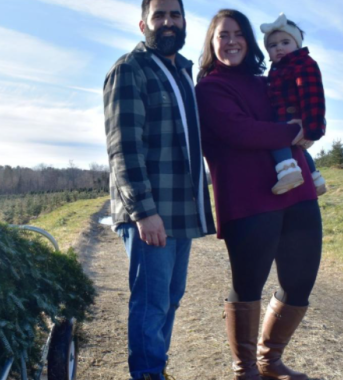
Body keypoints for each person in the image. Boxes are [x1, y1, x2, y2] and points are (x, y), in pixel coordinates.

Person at [195, 9, 322, 380]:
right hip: (247, 198)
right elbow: (240, 132)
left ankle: (269, 359)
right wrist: (292, 130)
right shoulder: (209, 87)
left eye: (239, 34)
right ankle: (245, 369)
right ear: (212, 42)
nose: (232, 41)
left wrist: (310, 121)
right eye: (223, 35)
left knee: (300, 281)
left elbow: (301, 103)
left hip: (297, 192)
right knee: (248, 284)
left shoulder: (268, 79)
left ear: (249, 41)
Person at [103, 0, 216, 379]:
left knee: (169, 299)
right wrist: (143, 211)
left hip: (180, 209)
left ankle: (155, 369)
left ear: (184, 22)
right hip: (149, 213)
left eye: (175, 15)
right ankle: (148, 374)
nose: (168, 22)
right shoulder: (129, 70)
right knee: (151, 303)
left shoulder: (185, 73)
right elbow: (124, 148)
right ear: (143, 24)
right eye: (159, 15)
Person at [261, 13, 327, 195]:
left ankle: (288, 173)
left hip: (295, 118)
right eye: (273, 45)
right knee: (296, 148)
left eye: (285, 42)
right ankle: (315, 178)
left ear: (297, 44)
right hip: (289, 117)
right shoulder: (278, 69)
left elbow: (313, 95)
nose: (279, 48)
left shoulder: (302, 64)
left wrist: (312, 128)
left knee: (274, 137)